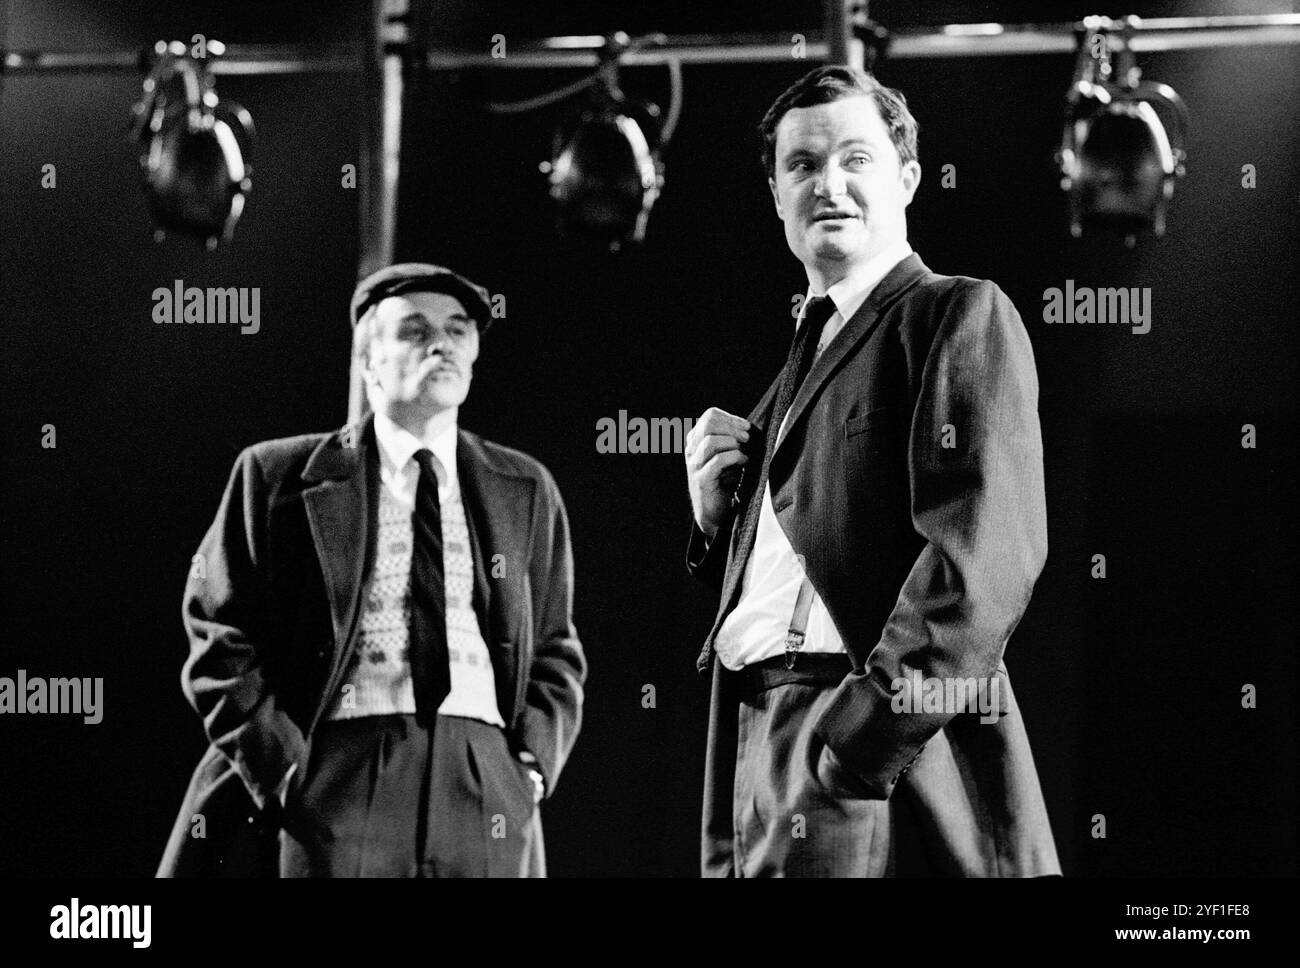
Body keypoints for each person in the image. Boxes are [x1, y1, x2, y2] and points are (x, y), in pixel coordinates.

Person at [684, 65, 1060, 877]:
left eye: (857, 159)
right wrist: (718, 518)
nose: (830, 184)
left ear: (909, 178)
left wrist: (859, 743)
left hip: (866, 740)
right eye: (803, 165)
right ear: (776, 194)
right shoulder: (788, 375)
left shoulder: (955, 312)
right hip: (752, 730)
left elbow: (982, 562)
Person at [158, 263, 585, 877]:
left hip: (485, 774)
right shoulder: (276, 476)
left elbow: (555, 647)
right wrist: (278, 762)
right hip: (338, 766)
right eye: (414, 330)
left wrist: (532, 765)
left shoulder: (524, 487)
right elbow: (216, 630)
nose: (442, 343)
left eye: (459, 329)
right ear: (368, 361)